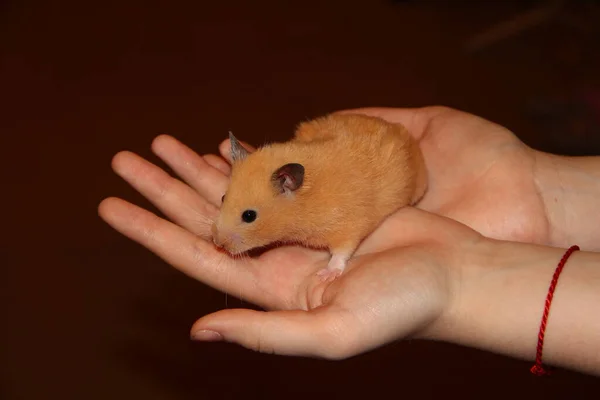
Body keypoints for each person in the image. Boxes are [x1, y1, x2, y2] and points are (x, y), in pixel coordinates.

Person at [98, 106, 600, 376]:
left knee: (397, 183)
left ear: (291, 186)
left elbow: (350, 224)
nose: (228, 229)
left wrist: (340, 261)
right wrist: (538, 187)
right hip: (336, 143)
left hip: (382, 166)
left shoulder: (326, 208)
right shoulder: (278, 178)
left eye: (246, 216)